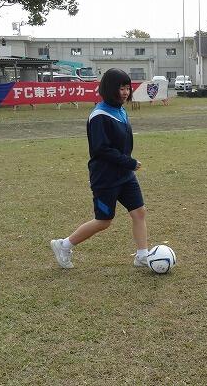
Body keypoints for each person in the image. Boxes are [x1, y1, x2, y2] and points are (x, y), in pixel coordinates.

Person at [50, 68, 150, 269]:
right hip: (105, 178)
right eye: (121, 88)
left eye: (127, 88)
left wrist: (127, 165)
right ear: (109, 89)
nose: (125, 92)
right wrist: (129, 162)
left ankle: (142, 256)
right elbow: (101, 149)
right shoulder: (99, 115)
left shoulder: (121, 110)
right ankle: (64, 245)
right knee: (104, 221)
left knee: (139, 212)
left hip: (125, 175)